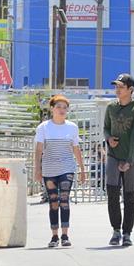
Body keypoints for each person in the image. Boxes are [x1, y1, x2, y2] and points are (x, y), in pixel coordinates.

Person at [33, 95, 86, 248]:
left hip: (67, 167)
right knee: (53, 202)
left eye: (64, 107)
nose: (62, 110)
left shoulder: (72, 127)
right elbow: (38, 150)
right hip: (49, 168)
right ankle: (54, 236)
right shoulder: (43, 127)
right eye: (58, 107)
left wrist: (82, 169)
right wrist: (37, 169)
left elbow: (76, 149)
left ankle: (65, 234)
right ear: (52, 109)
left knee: (64, 198)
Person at [103, 73, 134, 247]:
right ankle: (116, 230)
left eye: (121, 87)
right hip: (113, 156)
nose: (117, 90)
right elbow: (106, 128)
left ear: (130, 89)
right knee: (112, 194)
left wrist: (129, 160)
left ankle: (127, 232)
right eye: (116, 86)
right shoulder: (111, 107)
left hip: (131, 158)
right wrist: (108, 138)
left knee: (129, 196)